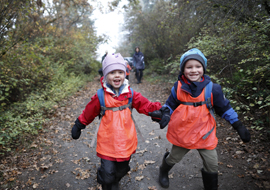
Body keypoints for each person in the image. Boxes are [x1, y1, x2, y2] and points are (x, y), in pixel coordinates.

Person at [149, 48, 251, 190]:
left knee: (212, 164)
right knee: (173, 158)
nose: (194, 70)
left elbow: (225, 108)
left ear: (203, 68)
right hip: (183, 133)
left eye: (198, 66)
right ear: (183, 70)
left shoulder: (213, 89)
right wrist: (164, 113)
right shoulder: (178, 87)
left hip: (205, 134)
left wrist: (238, 125)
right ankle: (163, 171)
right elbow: (170, 104)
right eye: (189, 67)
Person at [71, 53, 162, 190]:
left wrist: (159, 111)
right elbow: (89, 112)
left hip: (126, 141)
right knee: (107, 174)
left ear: (125, 73)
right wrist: (79, 124)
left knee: (122, 169)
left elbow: (146, 105)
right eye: (112, 72)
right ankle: (107, 182)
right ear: (106, 75)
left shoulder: (130, 94)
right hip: (107, 142)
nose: (117, 75)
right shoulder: (100, 96)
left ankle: (115, 179)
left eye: (120, 72)